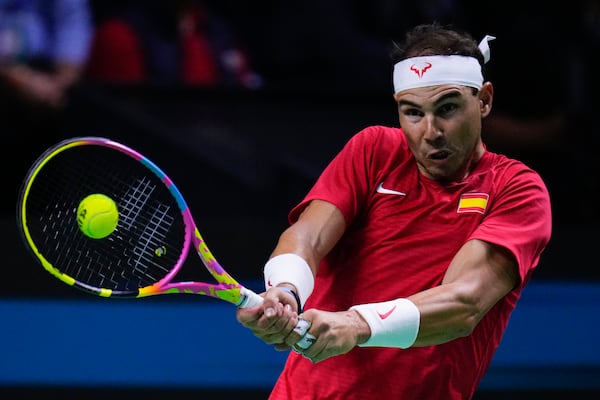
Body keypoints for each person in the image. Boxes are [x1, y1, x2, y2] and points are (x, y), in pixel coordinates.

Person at [236, 23, 552, 399]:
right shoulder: (373, 151)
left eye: (447, 108)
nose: (430, 131)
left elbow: (464, 302)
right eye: (413, 112)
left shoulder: (516, 189)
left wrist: (357, 324)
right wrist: (287, 288)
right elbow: (307, 235)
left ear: (483, 100)